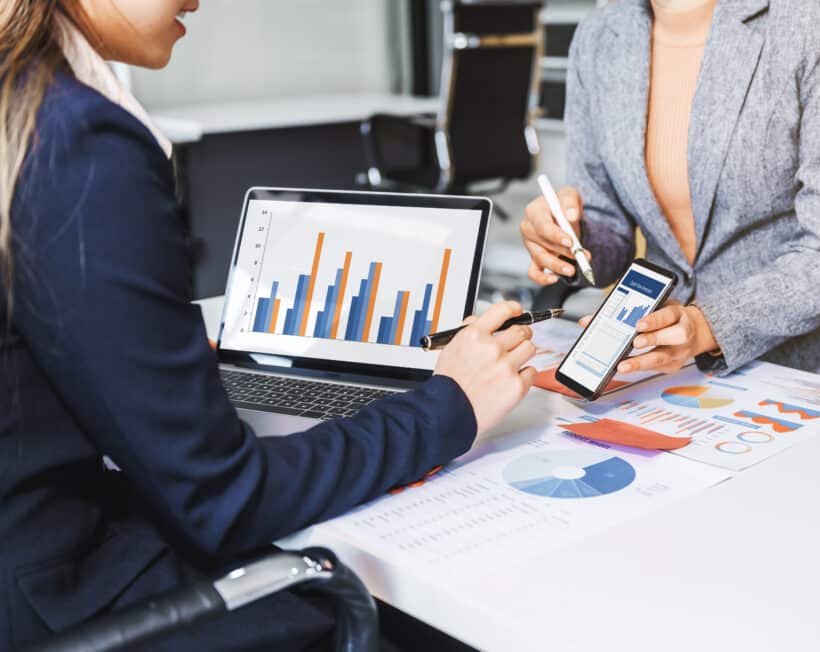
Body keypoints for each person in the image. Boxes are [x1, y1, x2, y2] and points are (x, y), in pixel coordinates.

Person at [0, 1, 536, 650]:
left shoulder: (24, 111)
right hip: (71, 599)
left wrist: (157, 366)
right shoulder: (77, 141)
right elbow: (225, 502)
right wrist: (450, 404)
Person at [520, 0, 820, 386]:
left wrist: (706, 325)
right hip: (663, 371)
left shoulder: (818, 18)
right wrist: (570, 241)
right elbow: (609, 229)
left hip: (808, 372)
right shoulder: (598, 36)